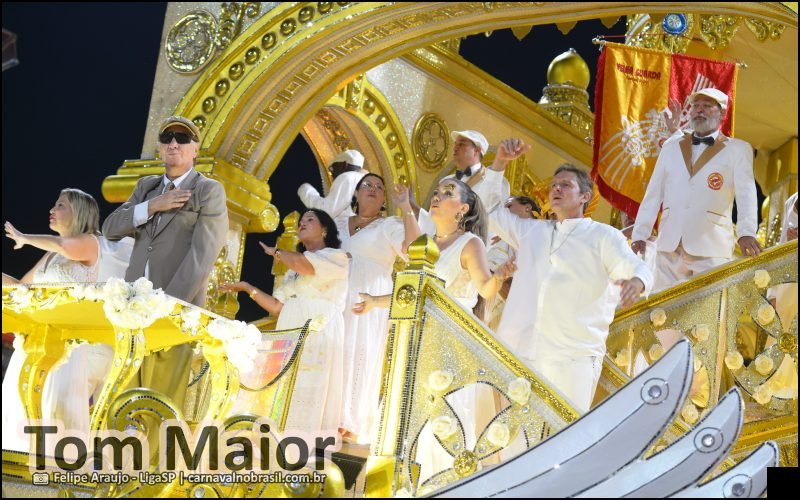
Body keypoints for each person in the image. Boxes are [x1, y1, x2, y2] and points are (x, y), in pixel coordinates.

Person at [489, 148, 653, 413]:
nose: (556, 189)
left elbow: (634, 266)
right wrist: (499, 163)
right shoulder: (532, 231)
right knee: (513, 439)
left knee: (563, 434)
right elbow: (491, 211)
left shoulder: (603, 235)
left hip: (573, 355)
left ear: (584, 197)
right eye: (554, 185)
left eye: (566, 185)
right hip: (520, 348)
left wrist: (637, 282)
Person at [102, 115, 229, 410]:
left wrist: (169, 306)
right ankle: (117, 457)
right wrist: (151, 207)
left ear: (195, 149)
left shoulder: (208, 190)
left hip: (174, 308)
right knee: (124, 396)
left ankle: (154, 457)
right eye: (167, 138)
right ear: (160, 148)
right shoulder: (146, 187)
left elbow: (203, 254)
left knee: (160, 399)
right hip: (131, 307)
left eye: (182, 138)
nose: (173, 143)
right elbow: (110, 227)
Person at [221, 208, 349, 437]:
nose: (302, 223)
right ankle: (271, 442)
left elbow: (307, 266)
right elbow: (277, 307)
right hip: (290, 326)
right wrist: (248, 288)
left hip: (317, 327)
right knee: (282, 385)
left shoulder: (336, 257)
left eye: (310, 219)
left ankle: (297, 446)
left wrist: (277, 253)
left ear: (325, 229)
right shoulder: (292, 271)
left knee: (308, 385)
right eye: (301, 221)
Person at [2, 188, 113, 451]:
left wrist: (24, 237)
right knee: (18, 404)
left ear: (79, 212)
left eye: (60, 205)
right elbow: (22, 287)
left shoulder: (90, 243)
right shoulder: (50, 254)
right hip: (35, 341)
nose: (52, 210)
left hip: (66, 347)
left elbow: (65, 246)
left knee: (54, 410)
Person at [632, 88, 760, 291]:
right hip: (669, 244)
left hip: (711, 247)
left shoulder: (738, 149)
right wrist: (640, 234)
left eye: (707, 106)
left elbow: (747, 195)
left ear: (722, 114)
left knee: (705, 315)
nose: (700, 110)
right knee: (660, 314)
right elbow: (654, 193)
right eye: (696, 106)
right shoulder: (672, 146)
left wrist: (746, 232)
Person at [336, 173, 420, 444]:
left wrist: (406, 207)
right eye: (367, 186)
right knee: (335, 349)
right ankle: (328, 413)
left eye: (379, 187)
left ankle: (350, 422)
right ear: (356, 194)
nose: (372, 190)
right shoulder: (338, 222)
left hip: (367, 298)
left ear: (384, 198)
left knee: (360, 350)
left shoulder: (389, 225)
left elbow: (415, 248)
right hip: (335, 295)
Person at [486, 196, 540, 331]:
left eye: (509, 206)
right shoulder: (502, 237)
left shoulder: (542, 235)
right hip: (493, 300)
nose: (504, 210)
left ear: (527, 208)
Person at [297, 150, 367, 220]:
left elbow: (326, 212)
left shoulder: (347, 177)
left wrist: (305, 191)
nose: (331, 173)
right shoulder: (365, 179)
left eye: (334, 167)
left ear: (344, 165)